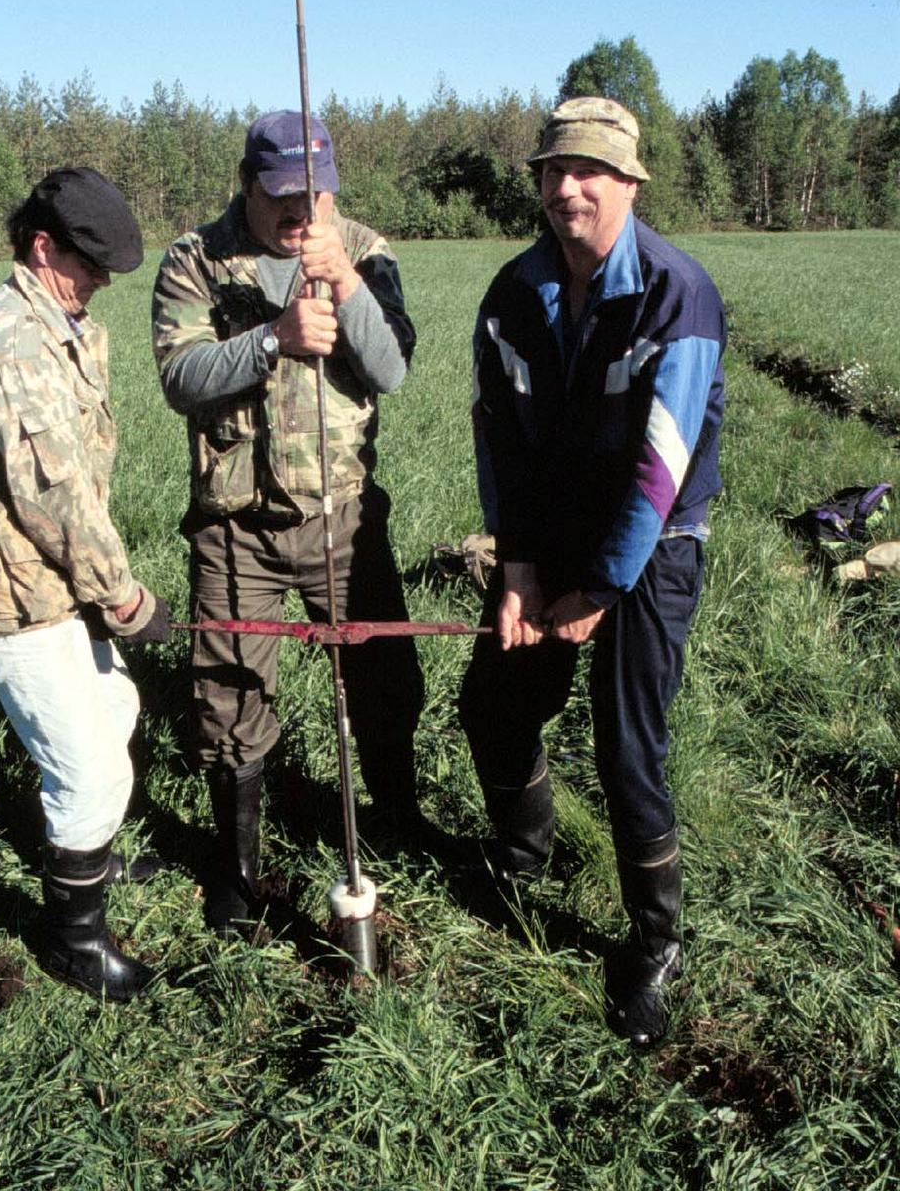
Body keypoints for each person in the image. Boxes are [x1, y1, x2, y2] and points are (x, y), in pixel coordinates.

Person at [459, 98, 726, 1047]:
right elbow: (499, 441)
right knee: (492, 703)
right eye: (553, 170)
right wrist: (522, 570)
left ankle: (653, 944)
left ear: (628, 184)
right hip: (554, 540)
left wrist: (598, 592)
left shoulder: (674, 293)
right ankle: (523, 854)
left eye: (591, 172)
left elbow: (662, 467)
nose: (567, 188)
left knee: (626, 751)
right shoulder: (512, 294)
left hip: (651, 547)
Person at [151, 111, 425, 935]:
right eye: (281, 198)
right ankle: (236, 875)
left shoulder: (365, 252)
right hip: (238, 529)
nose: (300, 214)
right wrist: (272, 339)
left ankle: (399, 825)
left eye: (315, 195)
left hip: (346, 523)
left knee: (385, 683)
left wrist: (343, 282)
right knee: (229, 703)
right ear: (247, 184)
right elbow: (180, 376)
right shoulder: (196, 261)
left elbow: (392, 367)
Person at [0, 167, 172, 1002]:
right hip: (5, 587)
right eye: (91, 264)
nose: (102, 282)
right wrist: (124, 597)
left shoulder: (60, 318)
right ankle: (72, 941)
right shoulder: (20, 344)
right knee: (93, 768)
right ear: (42, 246)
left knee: (118, 710)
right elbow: (56, 498)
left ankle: (83, 857)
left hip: (47, 576)